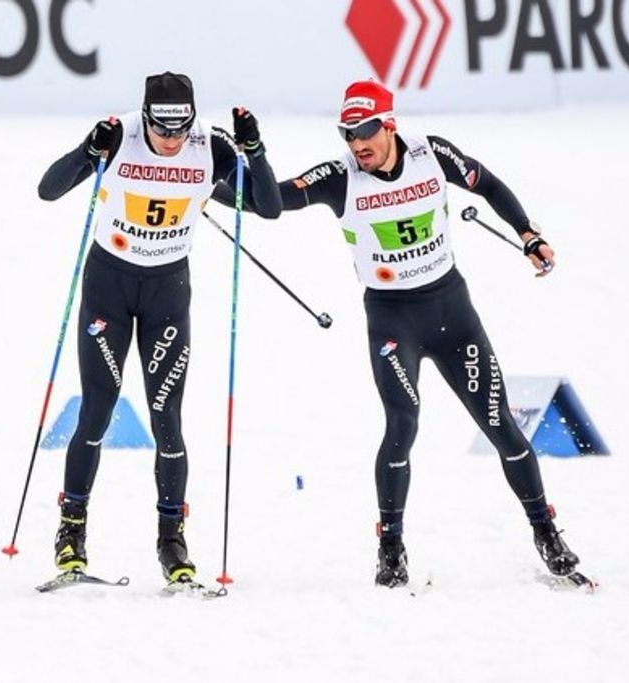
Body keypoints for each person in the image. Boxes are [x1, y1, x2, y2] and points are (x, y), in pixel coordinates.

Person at [229, 80, 581, 587]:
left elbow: (490, 185)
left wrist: (527, 233)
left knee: (500, 425)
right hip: (392, 319)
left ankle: (546, 533)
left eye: (367, 131)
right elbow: (270, 203)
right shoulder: (339, 177)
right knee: (402, 425)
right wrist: (214, 183)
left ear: (389, 125)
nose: (357, 145)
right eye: (347, 134)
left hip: (451, 312)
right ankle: (390, 546)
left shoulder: (430, 154)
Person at [37, 72, 281, 584]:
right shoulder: (119, 135)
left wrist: (254, 151)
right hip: (110, 285)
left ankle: (171, 541)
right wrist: (88, 151)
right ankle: (71, 532)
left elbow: (269, 207)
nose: (171, 142)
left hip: (167, 296)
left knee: (167, 418)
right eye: (161, 130)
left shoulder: (208, 148)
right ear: (144, 117)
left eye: (180, 130)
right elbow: (48, 189)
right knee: (97, 412)